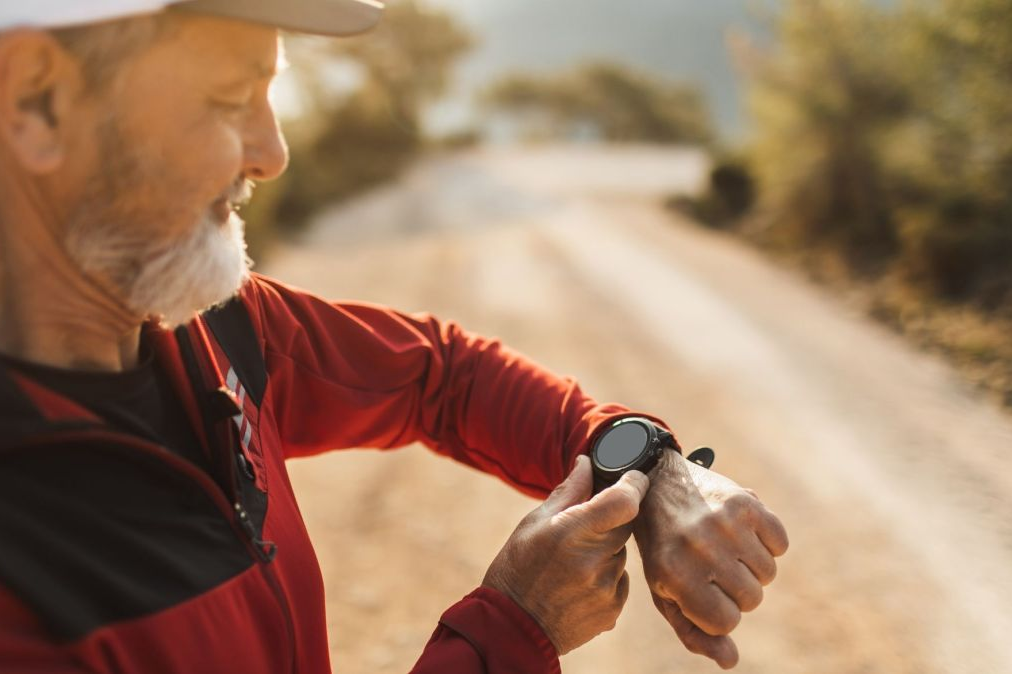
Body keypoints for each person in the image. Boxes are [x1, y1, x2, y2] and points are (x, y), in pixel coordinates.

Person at [0, 2, 789, 672]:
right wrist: (515, 627)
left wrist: (648, 462)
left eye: (272, 94)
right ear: (38, 102)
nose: (273, 153)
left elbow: (442, 376)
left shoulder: (212, 329)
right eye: (230, 96)